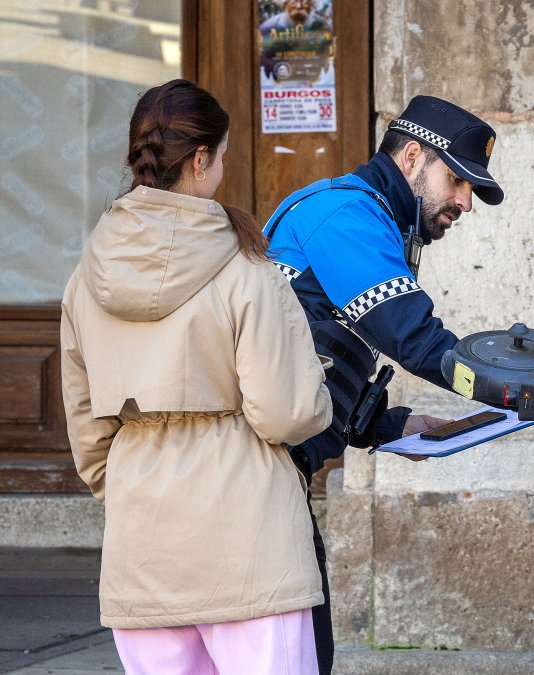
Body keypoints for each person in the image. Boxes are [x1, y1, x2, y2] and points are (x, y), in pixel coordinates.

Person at [59, 79, 332, 674]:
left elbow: (85, 424)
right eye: (225, 155)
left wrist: (131, 482)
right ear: (202, 158)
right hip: (250, 539)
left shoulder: (87, 274)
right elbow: (286, 413)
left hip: (143, 542)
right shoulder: (248, 268)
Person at [264, 94, 505, 674]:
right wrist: (524, 390)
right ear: (413, 156)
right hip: (256, 483)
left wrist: (389, 425)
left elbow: (314, 359)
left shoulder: (374, 219)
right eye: (457, 181)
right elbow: (415, 339)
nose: (465, 202)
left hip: (275, 478)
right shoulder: (346, 215)